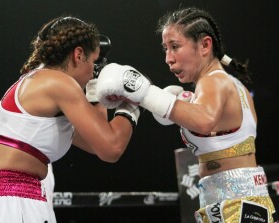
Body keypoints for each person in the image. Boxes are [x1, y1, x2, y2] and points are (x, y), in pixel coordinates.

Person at [95, 7, 278, 223]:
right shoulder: (232, 85)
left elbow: (203, 120)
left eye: (175, 47)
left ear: (205, 45)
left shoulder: (214, 81)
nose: (168, 59)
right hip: (240, 202)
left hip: (236, 204)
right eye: (165, 49)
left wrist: (142, 92)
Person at [0, 16, 140, 223]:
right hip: (15, 201)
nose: (94, 70)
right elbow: (112, 147)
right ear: (78, 55)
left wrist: (98, 91)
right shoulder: (59, 83)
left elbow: (96, 143)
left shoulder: (37, 84)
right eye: (93, 62)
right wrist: (135, 102)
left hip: (5, 200)